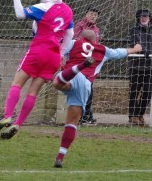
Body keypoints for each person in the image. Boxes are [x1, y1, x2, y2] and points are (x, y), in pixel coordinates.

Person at [0, 0, 74, 139]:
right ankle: (17, 124)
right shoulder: (68, 10)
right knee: (33, 91)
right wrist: (61, 54)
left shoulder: (42, 7)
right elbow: (70, 34)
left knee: (17, 83)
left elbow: (20, 14)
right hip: (53, 55)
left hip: (39, 50)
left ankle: (8, 115)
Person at [52, 30, 142, 168]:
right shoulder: (104, 50)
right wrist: (135, 49)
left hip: (71, 74)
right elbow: (120, 52)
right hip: (85, 83)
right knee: (71, 123)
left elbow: (57, 48)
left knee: (57, 83)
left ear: (81, 37)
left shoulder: (73, 43)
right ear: (96, 40)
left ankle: (79, 67)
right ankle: (60, 157)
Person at [73, 6, 101, 124]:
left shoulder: (97, 29)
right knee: (79, 89)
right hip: (79, 62)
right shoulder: (79, 26)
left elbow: (97, 45)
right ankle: (78, 116)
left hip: (90, 63)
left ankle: (87, 115)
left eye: (95, 14)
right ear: (86, 14)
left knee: (89, 89)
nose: (93, 16)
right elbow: (74, 41)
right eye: (91, 13)